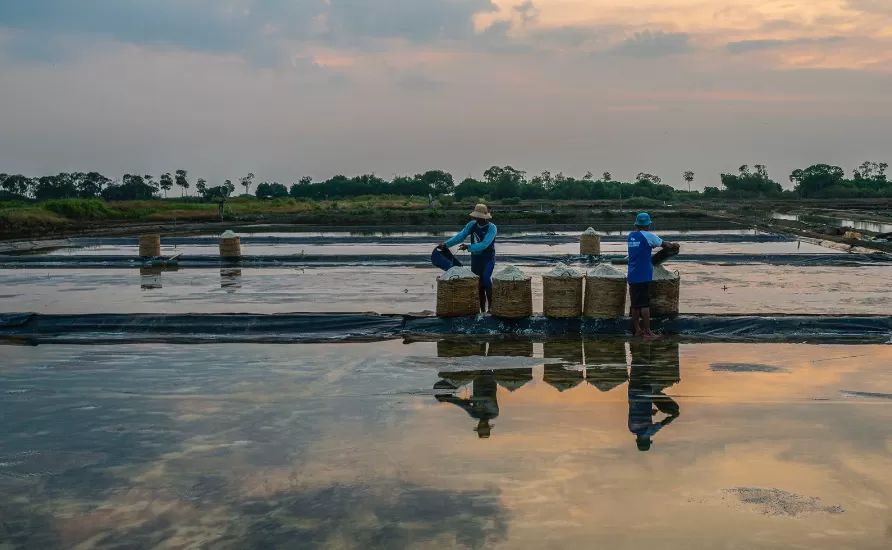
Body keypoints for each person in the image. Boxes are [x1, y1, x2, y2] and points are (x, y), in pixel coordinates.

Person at [627, 212, 679, 338]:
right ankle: (647, 332)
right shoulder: (648, 236)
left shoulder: (631, 236)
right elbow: (665, 244)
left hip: (632, 273)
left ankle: (637, 330)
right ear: (648, 225)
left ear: (637, 224)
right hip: (643, 273)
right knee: (644, 304)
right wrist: (674, 245)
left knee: (634, 304)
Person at [439, 204, 497, 313]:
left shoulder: (491, 228)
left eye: (480, 217)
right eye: (477, 217)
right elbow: (460, 236)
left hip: (488, 258)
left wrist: (468, 247)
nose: (478, 219)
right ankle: (482, 310)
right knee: (478, 283)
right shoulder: (471, 225)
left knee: (486, 279)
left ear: (484, 217)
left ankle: (491, 308)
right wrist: (446, 244)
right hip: (476, 258)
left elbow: (485, 244)